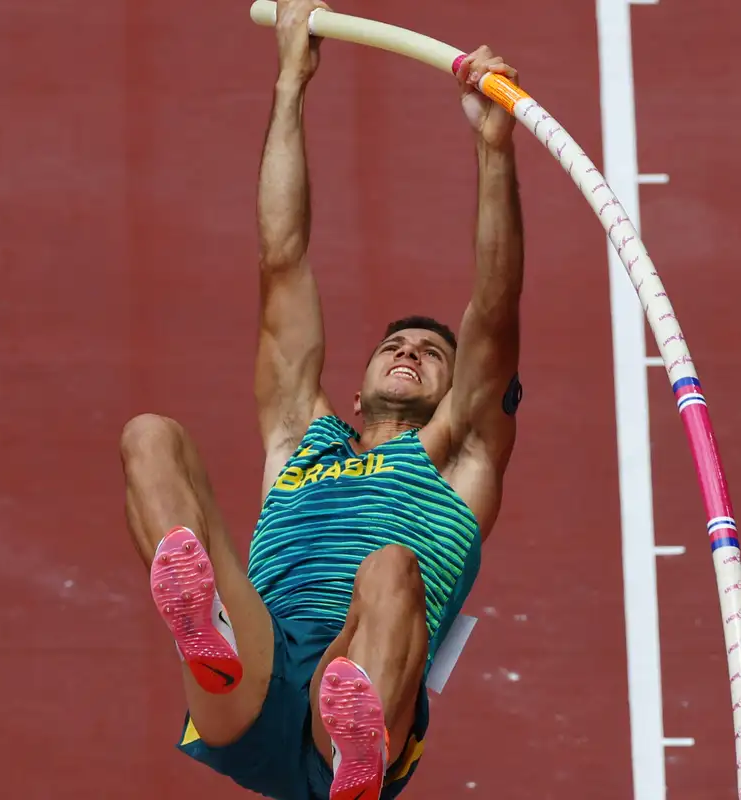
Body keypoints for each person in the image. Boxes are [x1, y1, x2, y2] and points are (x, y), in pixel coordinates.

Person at [118, 1, 525, 797]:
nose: (410, 352)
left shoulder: (461, 462)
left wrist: (493, 149)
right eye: (396, 345)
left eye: (432, 354)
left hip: (363, 681)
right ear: (357, 382)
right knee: (150, 436)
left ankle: (355, 753)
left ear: (456, 390)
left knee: (390, 568)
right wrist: (290, 81)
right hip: (254, 672)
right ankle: (203, 628)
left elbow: (495, 311)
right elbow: (283, 257)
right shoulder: (300, 437)